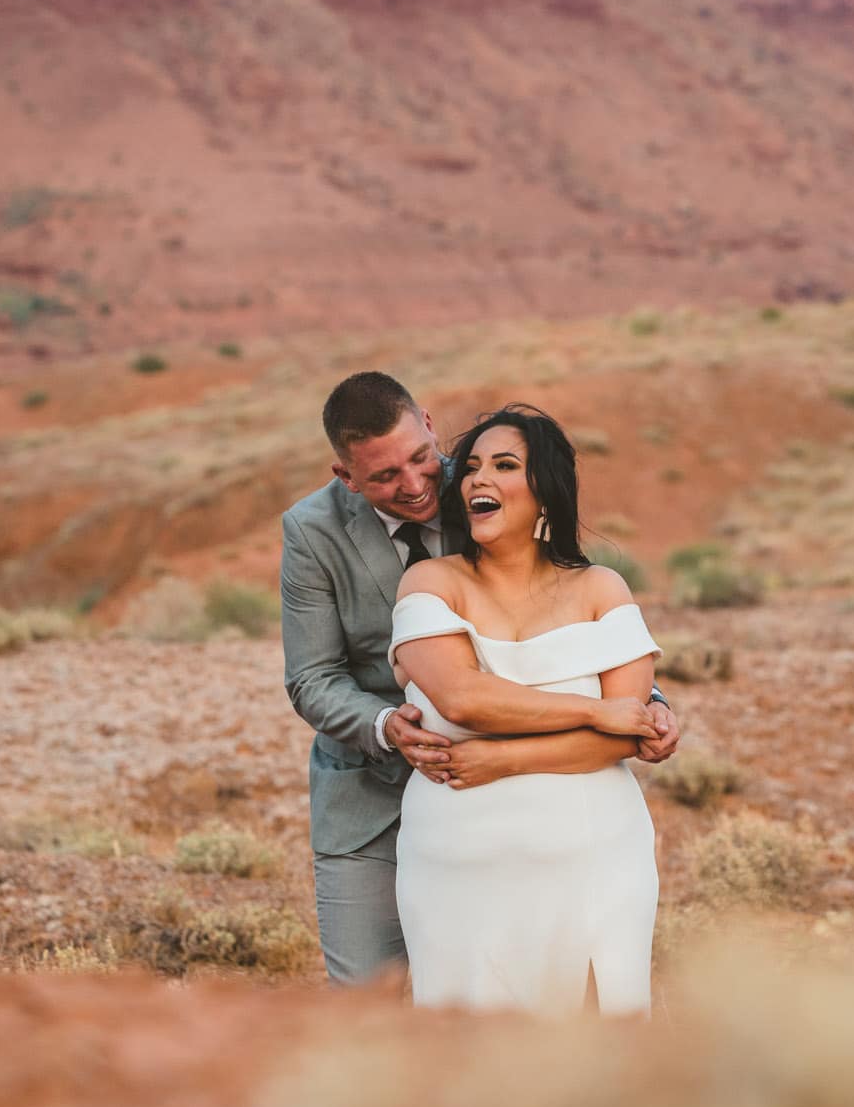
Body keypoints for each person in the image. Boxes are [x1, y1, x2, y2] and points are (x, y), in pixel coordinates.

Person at [281, 371, 679, 987]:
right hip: (370, 786)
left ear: (430, 428)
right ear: (346, 477)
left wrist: (644, 700)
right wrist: (387, 726)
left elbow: (561, 614)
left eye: (420, 459)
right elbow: (312, 676)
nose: (416, 486)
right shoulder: (312, 531)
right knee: (367, 997)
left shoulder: (479, 483)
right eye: (385, 477)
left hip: (535, 779)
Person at [390, 402, 662, 1011]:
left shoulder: (601, 589)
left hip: (595, 853)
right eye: (472, 467)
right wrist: (593, 712)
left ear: (544, 493)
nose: (479, 479)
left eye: (505, 465)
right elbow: (462, 699)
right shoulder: (431, 583)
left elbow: (626, 736)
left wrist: (499, 763)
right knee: (468, 1054)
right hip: (457, 862)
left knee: (598, 1050)